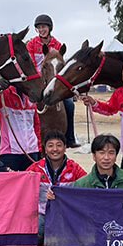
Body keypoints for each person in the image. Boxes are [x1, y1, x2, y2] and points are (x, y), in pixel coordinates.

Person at [26, 14, 80, 148]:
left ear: (49, 28)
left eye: (43, 27)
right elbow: (31, 64)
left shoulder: (57, 44)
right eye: (39, 28)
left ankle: (70, 137)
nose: (41, 30)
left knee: (69, 104)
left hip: (55, 80)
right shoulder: (31, 44)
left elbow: (61, 66)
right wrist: (40, 79)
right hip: (37, 80)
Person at [26, 130, 87, 246]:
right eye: (50, 146)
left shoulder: (74, 168)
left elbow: (87, 186)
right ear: (45, 149)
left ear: (65, 148)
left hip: (67, 214)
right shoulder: (36, 169)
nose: (55, 149)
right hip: (42, 214)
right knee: (35, 233)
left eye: (59, 145)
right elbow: (21, 187)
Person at [0, 78, 40, 171]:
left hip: (32, 152)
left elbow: (36, 126)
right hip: (10, 153)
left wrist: (39, 149)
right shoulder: (4, 95)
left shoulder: (31, 97)